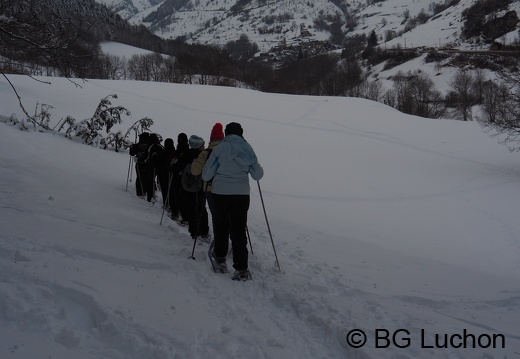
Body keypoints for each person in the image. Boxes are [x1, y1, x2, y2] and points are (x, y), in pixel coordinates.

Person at [202, 122, 263, 281]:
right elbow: (257, 174)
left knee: (221, 226)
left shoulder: (220, 148)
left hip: (220, 193)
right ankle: (241, 269)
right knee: (238, 229)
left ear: (227, 133)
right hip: (241, 194)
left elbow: (206, 175)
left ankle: (220, 259)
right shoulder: (247, 148)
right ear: (241, 133)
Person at [191, 123, 225, 240]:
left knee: (216, 216)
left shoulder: (205, 153)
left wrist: (196, 161)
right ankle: (228, 241)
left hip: (210, 189)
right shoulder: (228, 152)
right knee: (227, 216)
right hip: (227, 189)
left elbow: (195, 171)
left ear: (211, 138)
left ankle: (219, 242)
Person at [181, 135, 210, 240]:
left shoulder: (185, 155)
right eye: (203, 145)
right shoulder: (203, 156)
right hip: (200, 187)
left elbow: (176, 169)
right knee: (202, 209)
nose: (204, 146)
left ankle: (194, 232)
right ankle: (204, 232)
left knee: (191, 209)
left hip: (187, 188)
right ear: (198, 146)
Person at [170, 133, 190, 224]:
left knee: (178, 196)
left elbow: (176, 164)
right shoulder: (188, 150)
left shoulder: (178, 151)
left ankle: (183, 216)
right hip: (187, 177)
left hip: (178, 176)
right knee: (185, 196)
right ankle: (186, 216)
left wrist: (173, 167)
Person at [153, 138, 177, 211]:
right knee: (173, 190)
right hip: (174, 174)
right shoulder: (175, 153)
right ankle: (174, 206)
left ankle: (166, 204)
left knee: (165, 189)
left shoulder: (162, 153)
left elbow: (156, 165)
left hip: (163, 174)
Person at [128, 132, 150, 198]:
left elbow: (132, 153)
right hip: (148, 163)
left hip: (139, 163)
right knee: (147, 177)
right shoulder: (150, 145)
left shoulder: (138, 145)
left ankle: (140, 192)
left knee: (139, 176)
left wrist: (132, 147)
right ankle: (146, 191)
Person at [144, 133, 163, 203]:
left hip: (151, 166)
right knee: (161, 182)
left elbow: (146, 155)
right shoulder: (161, 146)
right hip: (160, 167)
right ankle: (162, 198)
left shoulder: (150, 146)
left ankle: (150, 197)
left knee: (150, 181)